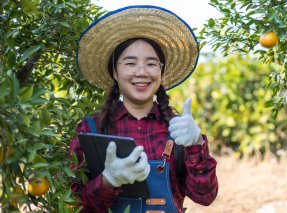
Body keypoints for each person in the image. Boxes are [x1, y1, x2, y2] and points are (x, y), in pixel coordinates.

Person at [69, 5, 218, 213]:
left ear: (161, 71)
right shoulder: (90, 129)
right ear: (114, 71)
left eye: (151, 63)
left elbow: (205, 196)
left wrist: (196, 145)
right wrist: (107, 182)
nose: (141, 72)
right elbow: (72, 203)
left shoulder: (179, 130)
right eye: (130, 63)